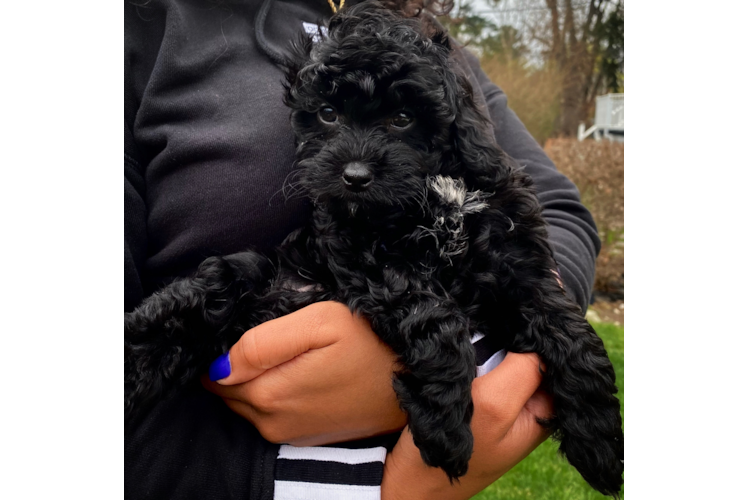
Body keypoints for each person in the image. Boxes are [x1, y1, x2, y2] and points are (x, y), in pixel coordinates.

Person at [123, 0, 600, 498]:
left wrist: (491, 358)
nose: (354, 165)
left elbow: (558, 211)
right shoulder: (147, 24)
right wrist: (374, 487)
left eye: (397, 121)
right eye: (328, 115)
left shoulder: (436, 46)